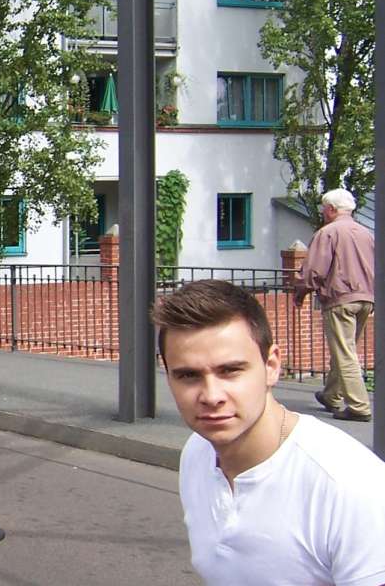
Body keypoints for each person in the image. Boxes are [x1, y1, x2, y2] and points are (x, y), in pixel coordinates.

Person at [152, 279, 385, 585]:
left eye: (230, 371)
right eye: (188, 375)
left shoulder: (349, 485)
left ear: (272, 365)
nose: (211, 395)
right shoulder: (197, 453)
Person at [293, 188, 375, 422]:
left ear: (331, 209)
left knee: (345, 352)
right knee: (345, 349)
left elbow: (314, 270)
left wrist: (301, 291)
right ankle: (331, 395)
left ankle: (359, 406)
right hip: (366, 297)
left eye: (323, 208)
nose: (322, 212)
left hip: (341, 298)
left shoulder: (328, 233)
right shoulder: (366, 233)